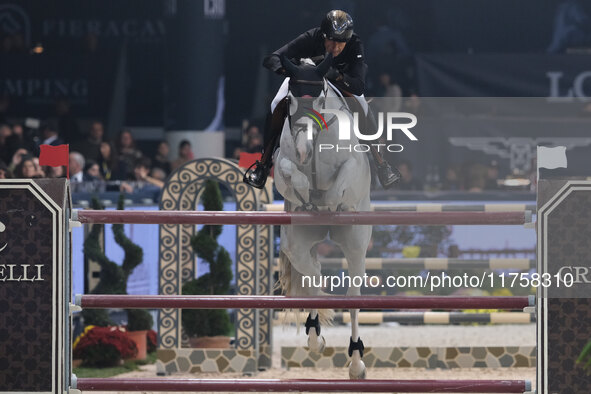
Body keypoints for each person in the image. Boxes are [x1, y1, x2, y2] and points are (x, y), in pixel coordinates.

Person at [243, 10, 400, 189]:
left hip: (341, 82)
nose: (336, 48)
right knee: (276, 103)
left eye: (341, 43)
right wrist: (292, 72)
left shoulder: (355, 43)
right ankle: (263, 165)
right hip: (305, 81)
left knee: (362, 104)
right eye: (332, 41)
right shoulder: (311, 37)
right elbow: (271, 59)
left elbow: (358, 85)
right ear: (323, 35)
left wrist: (337, 75)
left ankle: (382, 164)